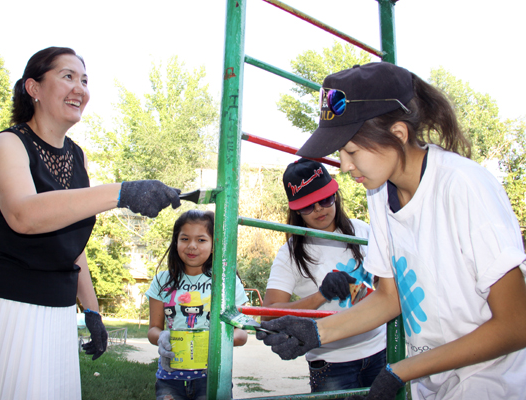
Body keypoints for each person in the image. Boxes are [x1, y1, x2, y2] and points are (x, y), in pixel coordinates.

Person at [256, 62, 526, 399]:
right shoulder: (380, 194)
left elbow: (516, 324)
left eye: (351, 151)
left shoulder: (463, 185)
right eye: (340, 153)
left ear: (398, 134)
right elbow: (390, 296)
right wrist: (316, 331)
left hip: (490, 384)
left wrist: (401, 370)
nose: (345, 165)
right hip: (435, 385)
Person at [0, 47, 181, 400]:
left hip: (58, 312)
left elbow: (71, 245)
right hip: (7, 308)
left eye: (84, 80)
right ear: (33, 88)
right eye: (67, 76)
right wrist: (121, 192)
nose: (79, 88)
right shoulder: (8, 143)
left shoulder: (78, 156)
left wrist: (93, 310)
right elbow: (23, 215)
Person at [262, 158, 386, 392]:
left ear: (335, 196)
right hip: (331, 362)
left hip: (379, 349)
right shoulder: (290, 254)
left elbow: (384, 288)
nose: (319, 209)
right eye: (308, 205)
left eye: (325, 199)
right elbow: (268, 316)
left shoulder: (362, 230)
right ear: (296, 209)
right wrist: (321, 296)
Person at [146, 210, 248, 400]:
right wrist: (162, 337)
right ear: (176, 242)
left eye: (201, 240)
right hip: (169, 379)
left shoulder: (227, 282)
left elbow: (241, 334)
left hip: (214, 378)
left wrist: (214, 342)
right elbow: (153, 329)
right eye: (184, 239)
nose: (192, 246)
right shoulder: (161, 281)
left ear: (214, 245)